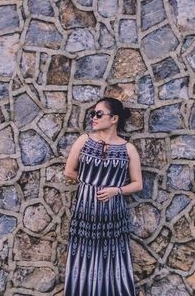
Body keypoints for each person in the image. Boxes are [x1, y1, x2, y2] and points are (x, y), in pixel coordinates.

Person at [63, 97, 143, 296]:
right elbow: (69, 172)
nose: (94, 118)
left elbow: (138, 184)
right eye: (93, 114)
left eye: (99, 114)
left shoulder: (128, 149)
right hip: (85, 212)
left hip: (112, 214)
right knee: (82, 259)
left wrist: (116, 190)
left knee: (113, 260)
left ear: (114, 118)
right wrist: (90, 184)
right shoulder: (84, 140)